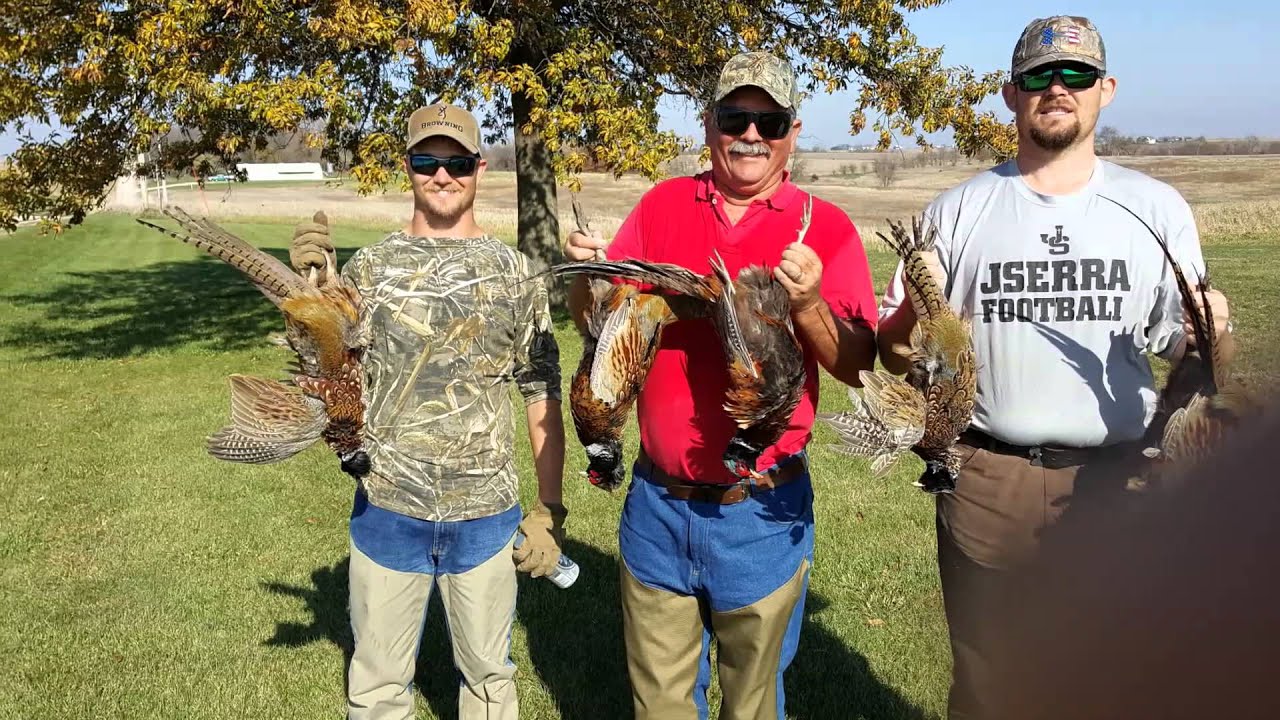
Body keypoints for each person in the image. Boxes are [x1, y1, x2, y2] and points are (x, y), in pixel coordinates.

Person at [874, 16, 1235, 719]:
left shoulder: (1155, 209)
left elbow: (1194, 359)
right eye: (1039, 75)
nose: (1058, 88)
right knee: (988, 679)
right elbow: (894, 353)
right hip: (988, 478)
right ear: (1012, 94)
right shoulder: (957, 212)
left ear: (1106, 88)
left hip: (1118, 480)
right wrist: (914, 314)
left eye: (1077, 74)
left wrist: (1211, 330)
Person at [563, 51, 880, 719]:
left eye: (770, 122)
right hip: (658, 503)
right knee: (661, 707)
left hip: (759, 511)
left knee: (753, 707)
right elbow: (600, 320)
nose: (751, 135)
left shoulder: (824, 227)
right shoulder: (663, 205)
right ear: (709, 124)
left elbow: (856, 366)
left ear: (794, 132)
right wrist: (585, 275)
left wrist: (809, 303)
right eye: (736, 118)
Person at [289, 102, 568, 720]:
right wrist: (309, 293)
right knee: (379, 686)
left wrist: (549, 510)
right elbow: (329, 370)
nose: (442, 175)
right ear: (409, 168)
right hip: (388, 509)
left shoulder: (516, 273)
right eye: (427, 161)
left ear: (479, 169)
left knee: (490, 681)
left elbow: (540, 391)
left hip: (486, 516)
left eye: (457, 163)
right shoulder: (370, 269)